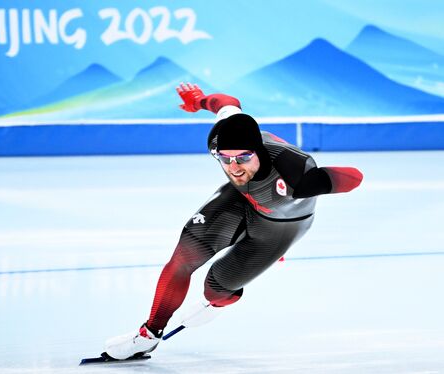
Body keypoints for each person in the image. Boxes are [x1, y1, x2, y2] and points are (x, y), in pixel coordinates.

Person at [104, 83, 363, 360]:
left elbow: (355, 177)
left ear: (258, 151)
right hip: (240, 200)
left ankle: (217, 302)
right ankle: (148, 335)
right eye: (225, 159)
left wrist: (320, 181)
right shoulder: (222, 137)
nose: (234, 167)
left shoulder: (293, 172)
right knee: (183, 258)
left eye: (243, 157)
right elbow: (226, 102)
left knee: (215, 288)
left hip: (280, 227)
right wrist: (199, 101)